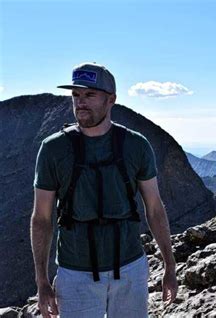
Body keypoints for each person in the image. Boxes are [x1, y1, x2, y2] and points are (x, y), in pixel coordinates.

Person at [31, 62, 178, 318]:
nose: (80, 102)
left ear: (111, 99)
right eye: (76, 95)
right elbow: (41, 219)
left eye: (89, 94)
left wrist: (170, 266)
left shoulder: (136, 146)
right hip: (75, 274)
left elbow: (154, 208)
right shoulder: (53, 149)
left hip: (130, 269)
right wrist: (42, 282)